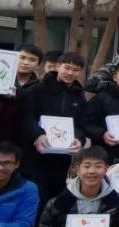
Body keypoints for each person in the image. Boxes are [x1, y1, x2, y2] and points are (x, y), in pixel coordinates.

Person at [20, 51, 88, 215]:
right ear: (58, 66)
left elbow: (81, 124)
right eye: (67, 68)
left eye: (75, 70)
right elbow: (26, 116)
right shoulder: (37, 90)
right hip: (35, 152)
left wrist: (79, 139)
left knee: (57, 194)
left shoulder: (79, 96)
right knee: (35, 193)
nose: (70, 73)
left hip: (62, 155)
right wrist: (38, 134)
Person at [0, 43, 42, 146]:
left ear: (38, 65)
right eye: (22, 57)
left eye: (32, 60)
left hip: (25, 138)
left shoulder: (40, 87)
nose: (26, 62)